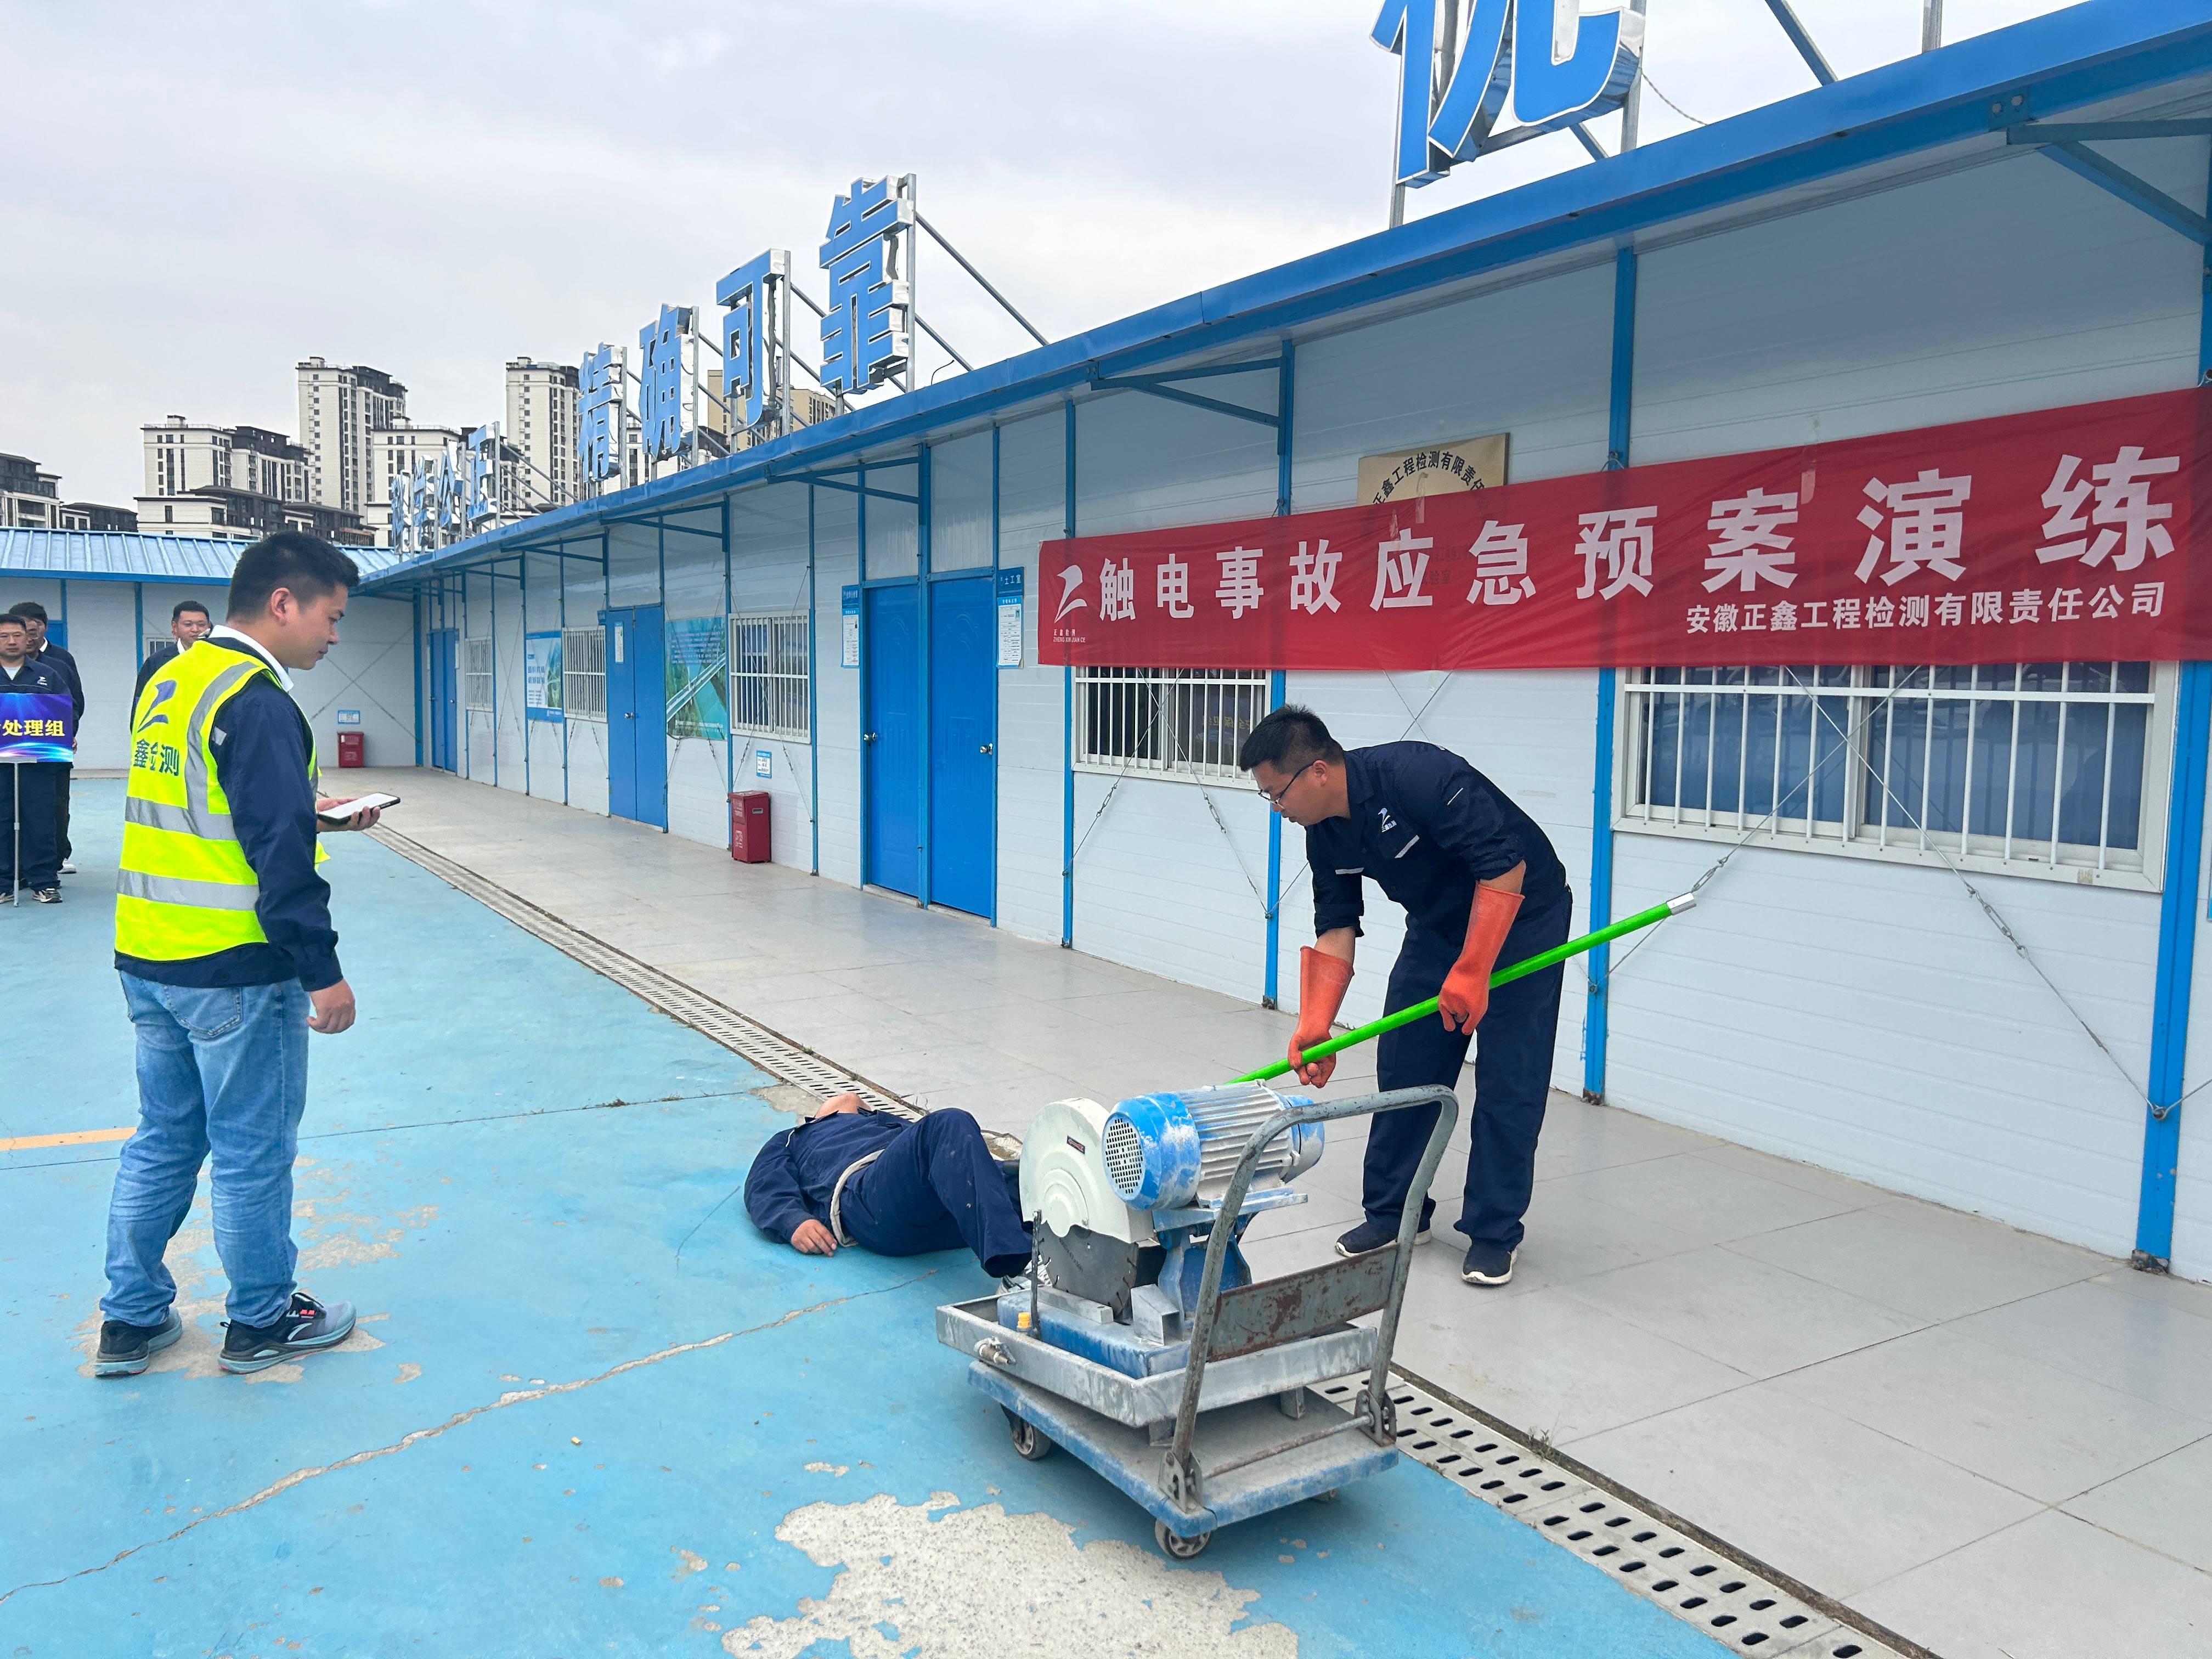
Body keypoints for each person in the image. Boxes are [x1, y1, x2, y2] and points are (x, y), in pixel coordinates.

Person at [95, 532, 386, 1379]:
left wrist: (306, 809)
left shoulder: (175, 680)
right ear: (284, 603)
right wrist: (322, 972)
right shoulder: (256, 701)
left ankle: (129, 1320)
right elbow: (278, 859)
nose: (335, 635)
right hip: (235, 968)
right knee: (253, 1151)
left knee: (162, 1140)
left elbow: (203, 809)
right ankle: (261, 1319)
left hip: (150, 956)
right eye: (332, 616)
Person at [1239, 706, 1571, 1289]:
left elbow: (1505, 866)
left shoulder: (1419, 776)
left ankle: (1494, 1232)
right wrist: (1315, 1024)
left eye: (1276, 794)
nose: (1277, 809)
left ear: (1318, 772)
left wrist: (1473, 970)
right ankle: (1396, 1214)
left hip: (1522, 918)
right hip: (1439, 927)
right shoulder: (1325, 832)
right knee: (1405, 1065)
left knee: (1509, 1078)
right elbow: (1337, 926)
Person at [745, 1092, 1032, 1280]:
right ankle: (1015, 1262)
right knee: (949, 1122)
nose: (853, 1102)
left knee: (1035, 1171)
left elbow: (957, 1159)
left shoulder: (887, 1124)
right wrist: (793, 1220)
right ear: (822, 1115)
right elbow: (764, 1180)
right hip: (870, 1197)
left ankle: (1052, 1251)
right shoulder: (795, 1137)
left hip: (945, 1209)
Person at [5, 601, 82, 878]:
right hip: (6, 758)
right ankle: (11, 871)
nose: (21, 639)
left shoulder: (56, 666)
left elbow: (73, 705)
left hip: (47, 755)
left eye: (30, 632)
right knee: (8, 813)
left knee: (50, 810)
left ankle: (50, 865)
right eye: (10, 635)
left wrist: (66, 733)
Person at [0, 612, 68, 903]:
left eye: (17, 635)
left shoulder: (47, 676)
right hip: (1, 765)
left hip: (38, 762)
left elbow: (67, 711)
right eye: (4, 636)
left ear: (27, 638)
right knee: (2, 819)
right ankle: (4, 882)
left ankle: (44, 881)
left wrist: (68, 733)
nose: (11, 641)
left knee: (40, 819)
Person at [133, 599, 214, 702]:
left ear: (209, 627)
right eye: (188, 624)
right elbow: (140, 701)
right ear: (175, 627)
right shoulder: (157, 663)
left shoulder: (218, 660)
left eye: (201, 625)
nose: (195, 629)